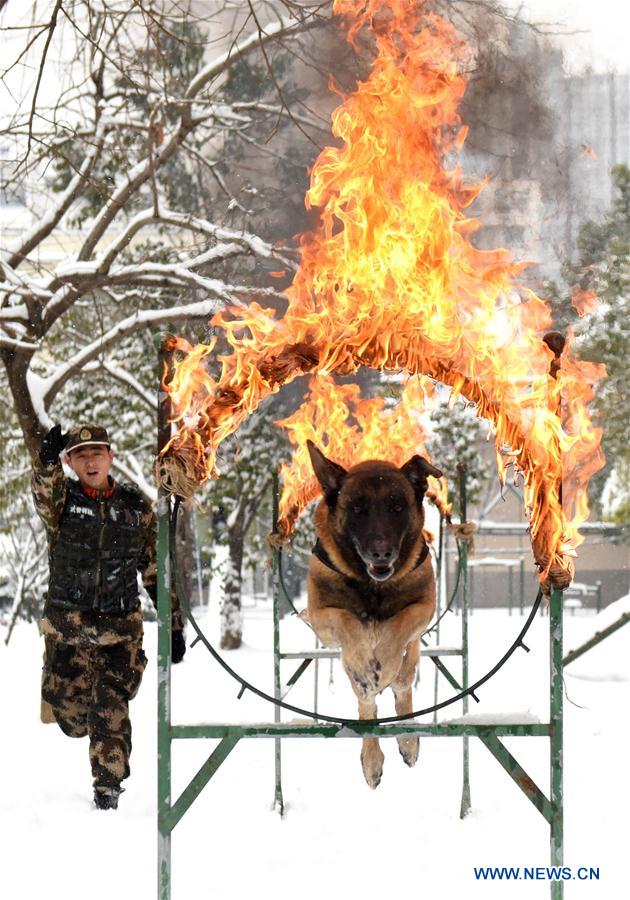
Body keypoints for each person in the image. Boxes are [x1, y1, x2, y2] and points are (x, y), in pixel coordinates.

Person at [32, 423, 186, 810]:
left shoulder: (135, 508)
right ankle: (74, 712)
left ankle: (107, 787)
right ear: (71, 462)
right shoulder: (62, 503)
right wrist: (46, 463)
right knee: (73, 719)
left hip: (120, 634)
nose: (90, 461)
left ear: (110, 457)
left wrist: (173, 623)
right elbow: (44, 493)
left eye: (97, 452)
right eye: (81, 455)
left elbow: (155, 570)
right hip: (68, 633)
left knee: (108, 704)